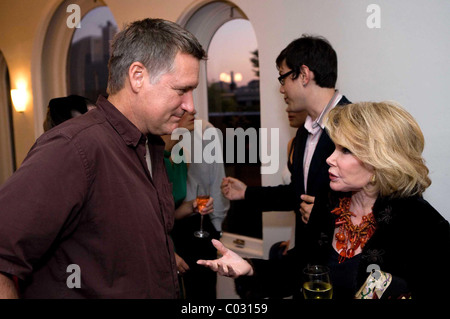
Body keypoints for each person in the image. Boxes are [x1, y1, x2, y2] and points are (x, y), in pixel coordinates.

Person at [0, 18, 206, 298]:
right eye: (181, 90)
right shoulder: (73, 148)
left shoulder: (152, 147)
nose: (190, 106)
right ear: (137, 76)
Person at [198, 101, 450, 300]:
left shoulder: (423, 225)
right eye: (334, 147)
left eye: (345, 150)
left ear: (380, 160)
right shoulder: (329, 203)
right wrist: (250, 268)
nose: (330, 158)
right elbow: (300, 266)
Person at [221, 35, 351, 251]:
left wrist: (324, 215)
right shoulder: (303, 133)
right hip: (309, 264)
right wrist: (246, 192)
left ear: (304, 75)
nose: (281, 89)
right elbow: (297, 195)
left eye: (283, 78)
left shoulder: (354, 124)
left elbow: (373, 202)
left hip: (341, 265)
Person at [172, 117, 230, 299]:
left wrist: (217, 228)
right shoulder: (156, 135)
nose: (191, 108)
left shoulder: (206, 131)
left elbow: (216, 180)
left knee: (203, 292)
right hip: (169, 227)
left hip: (200, 222)